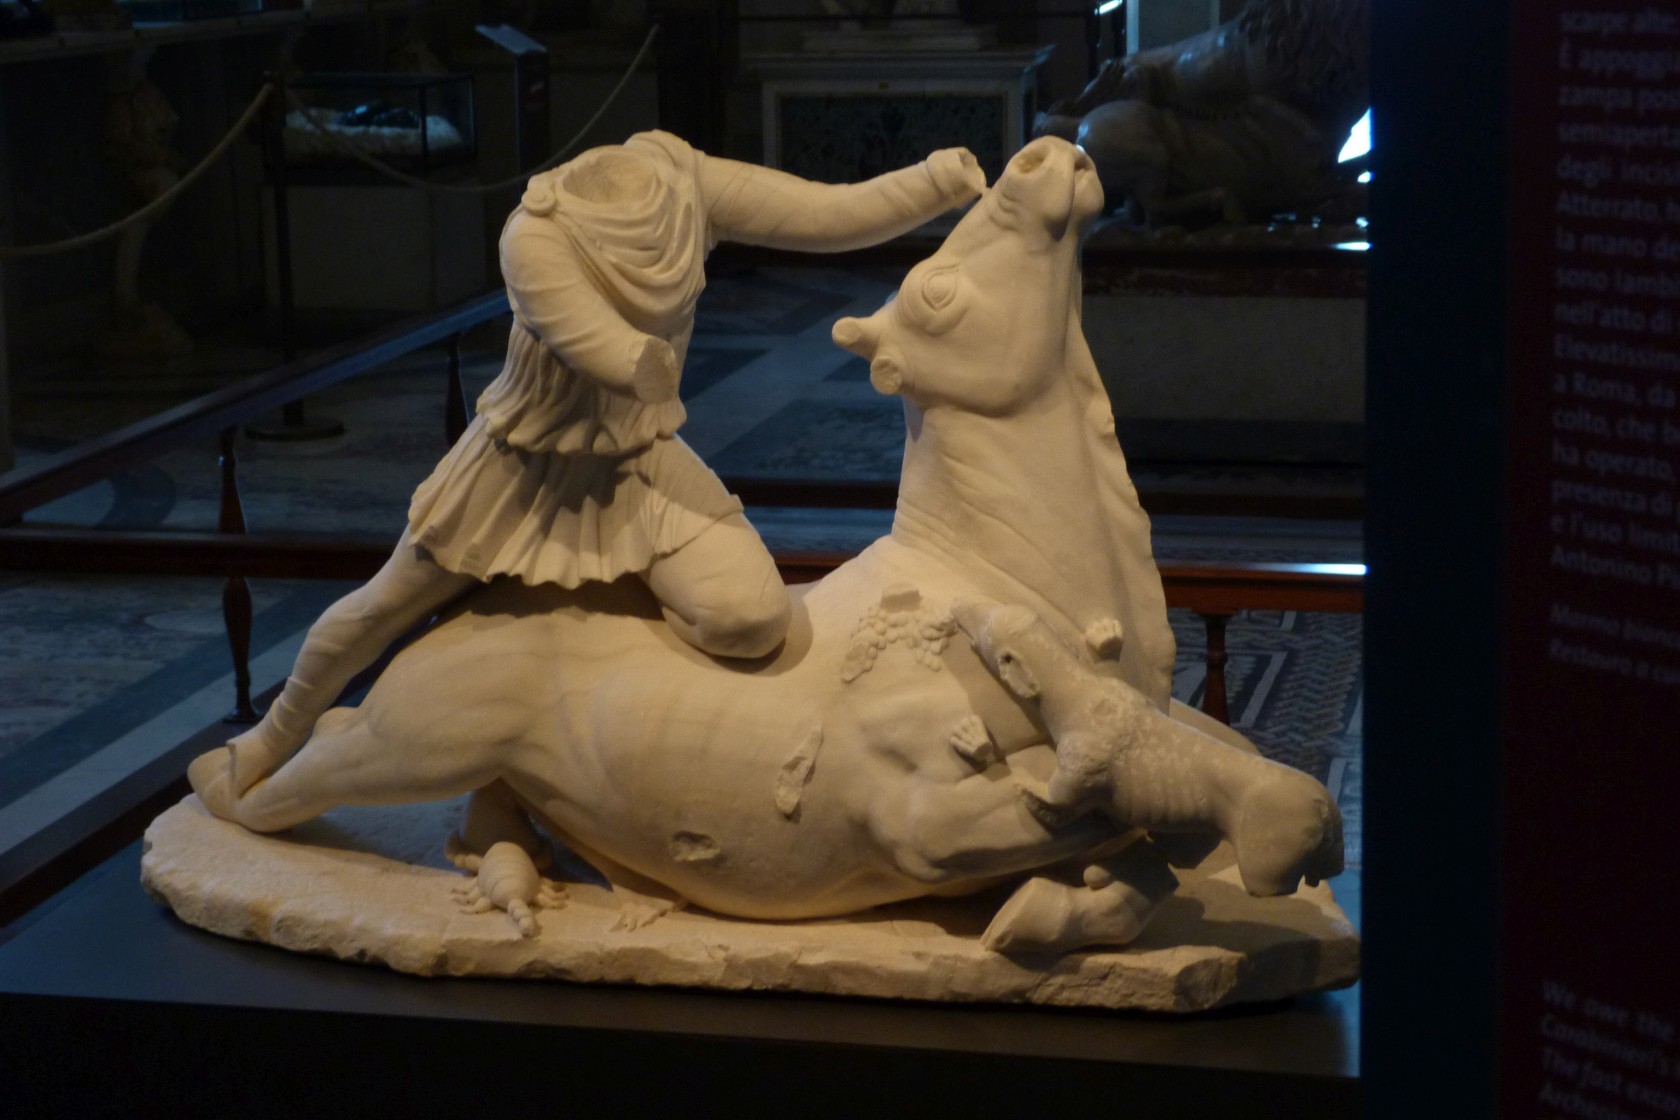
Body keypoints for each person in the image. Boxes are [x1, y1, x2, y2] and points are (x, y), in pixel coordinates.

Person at [192, 130, 986, 802]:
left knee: (747, 621)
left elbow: (824, 213)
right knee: (382, 608)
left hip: (636, 461)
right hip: (518, 466)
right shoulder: (535, 234)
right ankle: (271, 737)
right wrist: (643, 361)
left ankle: (604, 718)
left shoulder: (681, 180)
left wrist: (933, 182)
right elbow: (590, 339)